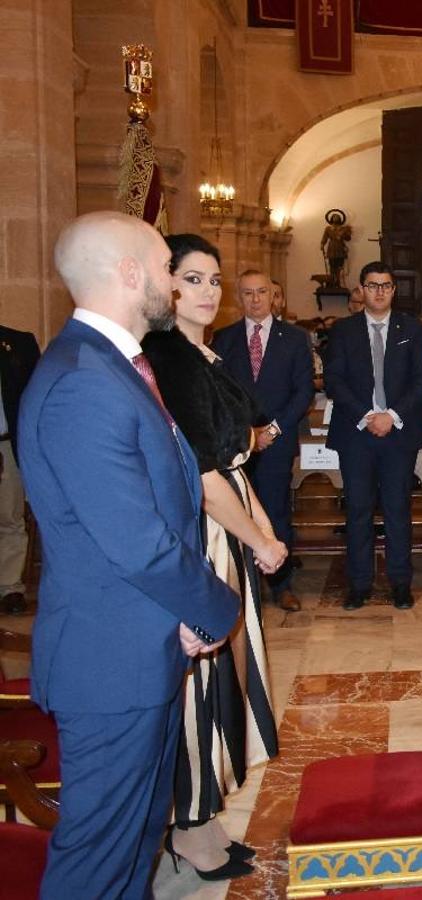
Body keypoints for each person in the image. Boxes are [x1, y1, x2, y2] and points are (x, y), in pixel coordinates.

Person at [19, 211, 241, 897]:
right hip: (108, 662)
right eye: (164, 269)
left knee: (134, 842)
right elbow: (137, 542)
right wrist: (216, 608)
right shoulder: (85, 380)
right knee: (97, 858)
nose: (174, 288)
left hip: (139, 644)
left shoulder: (116, 366)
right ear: (130, 272)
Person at [142, 234, 287, 880]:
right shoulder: (166, 356)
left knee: (221, 678)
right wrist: (259, 538)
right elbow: (202, 475)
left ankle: (204, 815)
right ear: (164, 284)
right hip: (201, 534)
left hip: (228, 523)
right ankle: (189, 825)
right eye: (192, 279)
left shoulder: (203, 353)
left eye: (213, 281)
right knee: (199, 683)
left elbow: (239, 454)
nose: (207, 292)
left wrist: (263, 527)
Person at [324, 261, 422, 610]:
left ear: (393, 290)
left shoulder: (411, 328)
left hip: (399, 433)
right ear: (361, 289)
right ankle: (359, 584)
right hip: (356, 433)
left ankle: (400, 583)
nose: (380, 291)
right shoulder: (343, 330)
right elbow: (334, 381)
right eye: (372, 285)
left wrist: (392, 415)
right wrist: (368, 415)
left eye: (386, 285)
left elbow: (421, 381)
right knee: (357, 511)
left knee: (398, 509)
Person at [212, 270, 315, 612]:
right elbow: (217, 391)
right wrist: (247, 433)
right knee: (236, 510)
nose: (255, 299)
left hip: (277, 439)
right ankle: (243, 585)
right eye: (247, 293)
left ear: (273, 296)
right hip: (235, 443)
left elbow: (303, 392)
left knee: (275, 510)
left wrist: (272, 430)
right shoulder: (223, 339)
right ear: (238, 298)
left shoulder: (295, 338)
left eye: (261, 292)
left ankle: (281, 584)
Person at [0, 323, 39, 614]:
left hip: (6, 443)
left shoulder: (19, 343)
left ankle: (9, 587)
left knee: (10, 516)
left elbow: (35, 399)